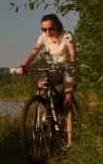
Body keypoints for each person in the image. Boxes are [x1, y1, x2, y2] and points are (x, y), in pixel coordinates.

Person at [20, 14, 77, 147]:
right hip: (55, 70)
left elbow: (73, 53)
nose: (48, 32)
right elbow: (35, 52)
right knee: (42, 86)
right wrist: (24, 65)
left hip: (68, 68)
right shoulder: (44, 37)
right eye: (44, 29)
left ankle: (70, 140)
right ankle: (49, 116)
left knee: (67, 100)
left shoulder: (67, 35)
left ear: (57, 25)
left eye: (50, 28)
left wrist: (73, 63)